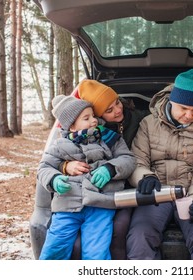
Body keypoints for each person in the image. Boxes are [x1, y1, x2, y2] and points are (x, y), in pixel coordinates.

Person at [126, 68, 193, 260]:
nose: (189, 115)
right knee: (139, 238)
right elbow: (137, 159)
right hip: (157, 193)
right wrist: (145, 177)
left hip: (191, 194)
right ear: (171, 101)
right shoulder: (148, 124)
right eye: (183, 108)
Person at [37, 94, 136, 260]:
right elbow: (44, 167)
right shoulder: (60, 145)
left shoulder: (109, 138)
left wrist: (110, 169)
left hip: (100, 204)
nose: (94, 120)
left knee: (96, 253)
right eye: (86, 118)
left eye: (93, 115)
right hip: (66, 205)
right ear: (72, 126)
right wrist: (54, 179)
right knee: (54, 250)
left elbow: (128, 159)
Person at [61, 79, 149, 260]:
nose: (118, 110)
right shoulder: (93, 132)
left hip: (134, 182)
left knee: (121, 226)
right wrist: (65, 166)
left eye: (117, 102)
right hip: (103, 190)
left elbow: (158, 117)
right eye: (109, 110)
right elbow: (57, 156)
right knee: (114, 228)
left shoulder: (138, 117)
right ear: (96, 116)